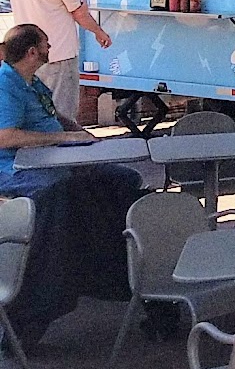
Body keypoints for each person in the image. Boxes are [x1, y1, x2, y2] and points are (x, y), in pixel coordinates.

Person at [0, 24, 142, 344]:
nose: (52, 48)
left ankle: (126, 273)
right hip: (17, 171)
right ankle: (45, 295)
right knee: (61, 196)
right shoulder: (5, 84)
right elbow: (5, 137)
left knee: (123, 181)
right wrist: (65, 138)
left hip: (59, 161)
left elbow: (54, 116)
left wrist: (80, 133)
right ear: (33, 52)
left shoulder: (33, 82)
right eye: (46, 43)